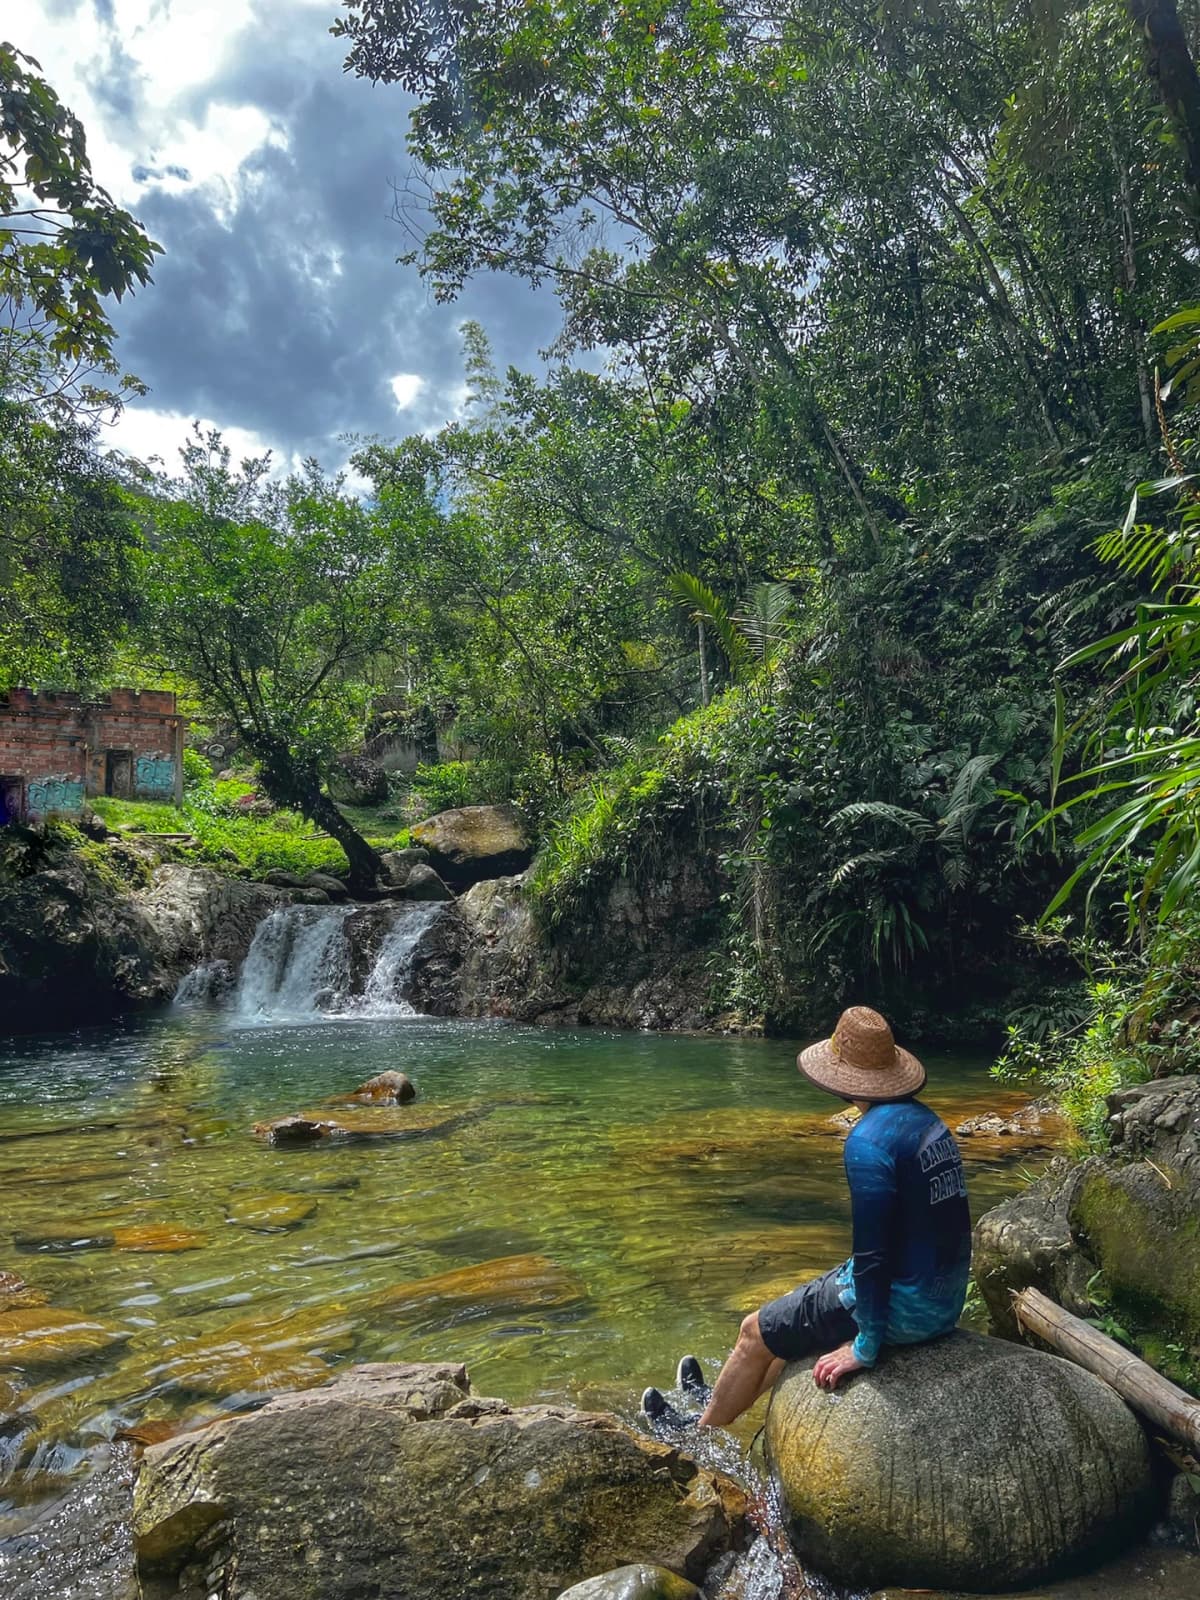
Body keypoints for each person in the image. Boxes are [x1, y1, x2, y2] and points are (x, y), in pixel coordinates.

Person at [641, 1005, 971, 1432]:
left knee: (753, 1331)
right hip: (941, 1302)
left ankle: (696, 1435)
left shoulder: (869, 1142)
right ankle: (724, 1399)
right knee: (791, 1324)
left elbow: (872, 1257)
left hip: (906, 1307)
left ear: (843, 1077)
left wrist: (866, 1346)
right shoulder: (929, 1123)